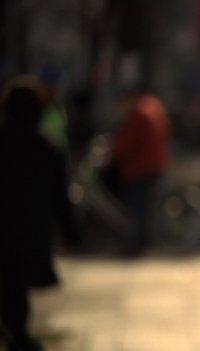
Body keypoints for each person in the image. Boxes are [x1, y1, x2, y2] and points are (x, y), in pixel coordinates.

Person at [0, 76, 79, 351]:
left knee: (10, 285)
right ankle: (17, 333)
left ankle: (15, 333)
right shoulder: (48, 150)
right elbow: (61, 198)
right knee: (16, 284)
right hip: (28, 232)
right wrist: (71, 233)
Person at [109, 92, 170, 256]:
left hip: (140, 168)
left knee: (135, 209)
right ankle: (144, 244)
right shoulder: (153, 108)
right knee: (144, 208)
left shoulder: (139, 115)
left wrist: (113, 151)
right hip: (154, 165)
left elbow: (128, 143)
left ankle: (134, 246)